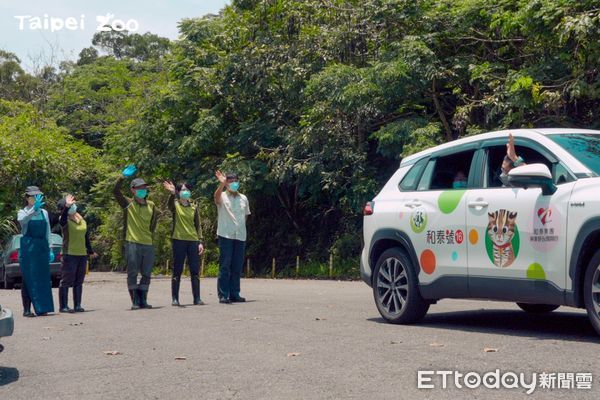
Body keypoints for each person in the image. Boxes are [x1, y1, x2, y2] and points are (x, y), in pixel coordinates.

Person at [113, 165, 158, 310]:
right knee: (132, 272)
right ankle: (134, 301)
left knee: (146, 273)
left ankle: (143, 299)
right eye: (139, 188)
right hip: (132, 242)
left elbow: (153, 224)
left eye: (144, 188)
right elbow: (116, 192)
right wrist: (122, 177)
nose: (142, 190)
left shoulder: (151, 205)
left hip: (148, 243)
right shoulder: (128, 203)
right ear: (133, 190)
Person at [163, 181, 205, 306]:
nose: (185, 192)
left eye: (187, 189)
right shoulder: (175, 205)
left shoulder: (194, 206)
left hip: (193, 240)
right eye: (183, 190)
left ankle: (197, 298)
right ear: (178, 192)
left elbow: (198, 225)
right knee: (177, 269)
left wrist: (200, 241)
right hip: (179, 240)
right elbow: (169, 205)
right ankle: (175, 298)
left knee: (195, 270)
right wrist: (172, 194)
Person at [214, 170, 251, 304]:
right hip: (225, 234)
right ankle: (223, 295)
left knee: (236, 266)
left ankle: (235, 293)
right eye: (231, 181)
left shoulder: (244, 198)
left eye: (236, 181)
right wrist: (222, 184)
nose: (234, 183)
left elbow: (245, 215)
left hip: (240, 235)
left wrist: (240, 228)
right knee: (225, 266)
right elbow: (216, 198)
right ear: (227, 183)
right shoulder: (222, 195)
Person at [17, 186, 54, 317]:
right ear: (27, 198)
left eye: (37, 196)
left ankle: (43, 307)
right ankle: (27, 309)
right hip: (28, 247)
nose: (35, 199)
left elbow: (48, 230)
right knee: (28, 278)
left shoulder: (44, 213)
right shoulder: (22, 212)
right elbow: (23, 221)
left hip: (42, 247)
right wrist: (34, 209)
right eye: (33, 197)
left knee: (43, 278)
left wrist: (50, 248)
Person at [57, 194, 98, 313]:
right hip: (69, 254)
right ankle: (63, 306)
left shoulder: (81, 220)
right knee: (66, 280)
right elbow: (63, 217)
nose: (73, 206)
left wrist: (90, 251)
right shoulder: (64, 220)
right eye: (71, 204)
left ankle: (77, 305)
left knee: (79, 280)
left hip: (82, 254)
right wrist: (66, 207)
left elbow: (86, 237)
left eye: (73, 204)